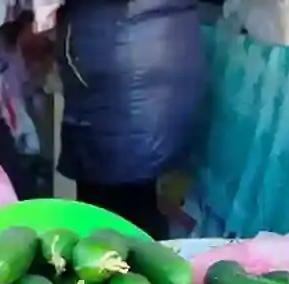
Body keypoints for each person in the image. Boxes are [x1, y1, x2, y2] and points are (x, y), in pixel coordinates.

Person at [54, 0, 205, 239]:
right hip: (166, 50)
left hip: (118, 59)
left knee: (110, 210)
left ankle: (130, 265)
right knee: (142, 195)